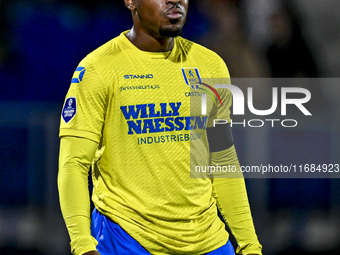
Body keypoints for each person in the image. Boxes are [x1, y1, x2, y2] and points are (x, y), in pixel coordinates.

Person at [58, 0, 262, 255]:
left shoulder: (211, 65)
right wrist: (82, 245)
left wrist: (250, 245)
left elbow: (222, 162)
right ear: (131, 2)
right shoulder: (98, 69)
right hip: (127, 240)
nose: (174, 0)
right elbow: (73, 164)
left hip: (209, 242)